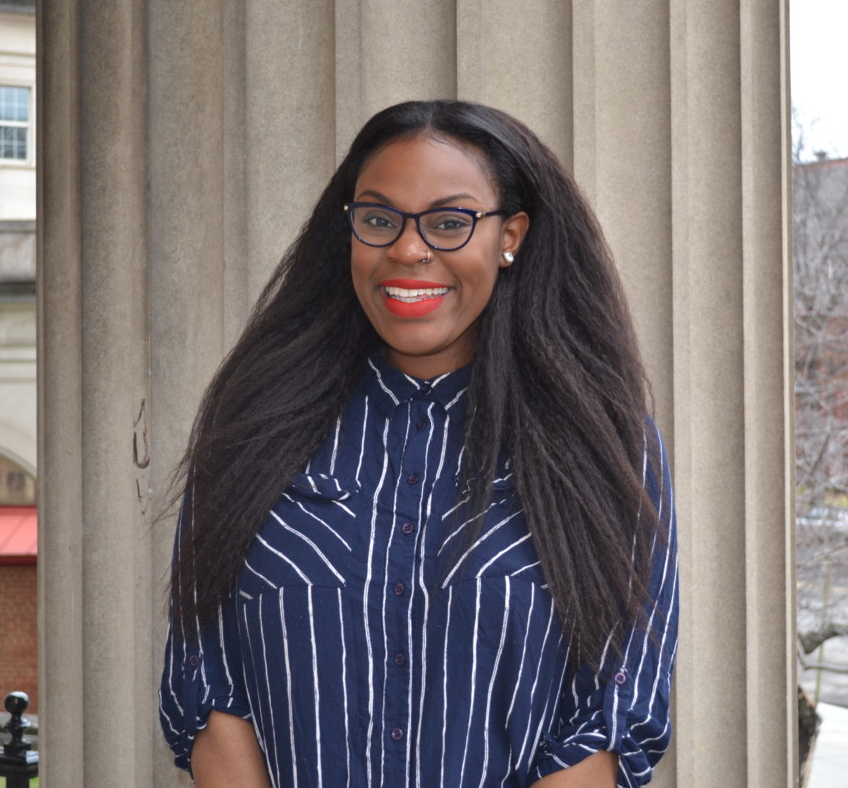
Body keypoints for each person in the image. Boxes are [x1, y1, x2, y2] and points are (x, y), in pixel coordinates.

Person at [160, 99, 679, 788]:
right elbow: (203, 681)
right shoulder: (251, 425)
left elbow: (619, 709)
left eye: (448, 221)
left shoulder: (603, 443)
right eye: (378, 219)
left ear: (511, 235)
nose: (408, 249)